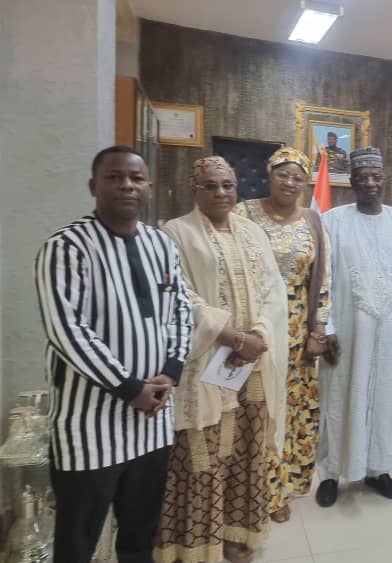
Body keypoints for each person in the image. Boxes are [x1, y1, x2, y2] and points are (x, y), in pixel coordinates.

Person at [36, 146, 192, 563]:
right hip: (90, 426)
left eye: (136, 178)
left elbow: (181, 312)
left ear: (149, 188)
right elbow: (67, 330)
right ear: (93, 186)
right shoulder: (66, 247)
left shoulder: (162, 245)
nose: (127, 185)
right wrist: (129, 388)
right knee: (77, 542)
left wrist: (170, 371)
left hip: (152, 423)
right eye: (115, 177)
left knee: (140, 538)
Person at [156, 156, 289, 563]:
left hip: (252, 362)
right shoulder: (175, 233)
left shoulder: (252, 232)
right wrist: (232, 337)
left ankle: (236, 532)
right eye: (211, 185)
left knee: (246, 449)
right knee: (203, 455)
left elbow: (274, 289)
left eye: (228, 185)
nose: (221, 193)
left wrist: (259, 334)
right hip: (207, 364)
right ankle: (196, 545)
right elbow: (179, 297)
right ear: (194, 189)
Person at [314, 147, 392, 506]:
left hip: (389, 331)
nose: (370, 183)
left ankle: (379, 469)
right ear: (352, 182)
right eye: (363, 178)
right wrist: (328, 327)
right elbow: (323, 278)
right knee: (340, 396)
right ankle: (331, 472)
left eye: (376, 177)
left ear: (384, 179)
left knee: (384, 398)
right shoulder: (332, 221)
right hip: (346, 330)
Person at [234, 146, 332, 523]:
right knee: (255, 405)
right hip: (254, 323)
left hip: (296, 329)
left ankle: (282, 490)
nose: (289, 183)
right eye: (283, 174)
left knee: (292, 409)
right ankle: (252, 489)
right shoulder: (243, 213)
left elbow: (323, 279)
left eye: (297, 178)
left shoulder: (313, 221)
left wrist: (318, 329)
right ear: (269, 174)